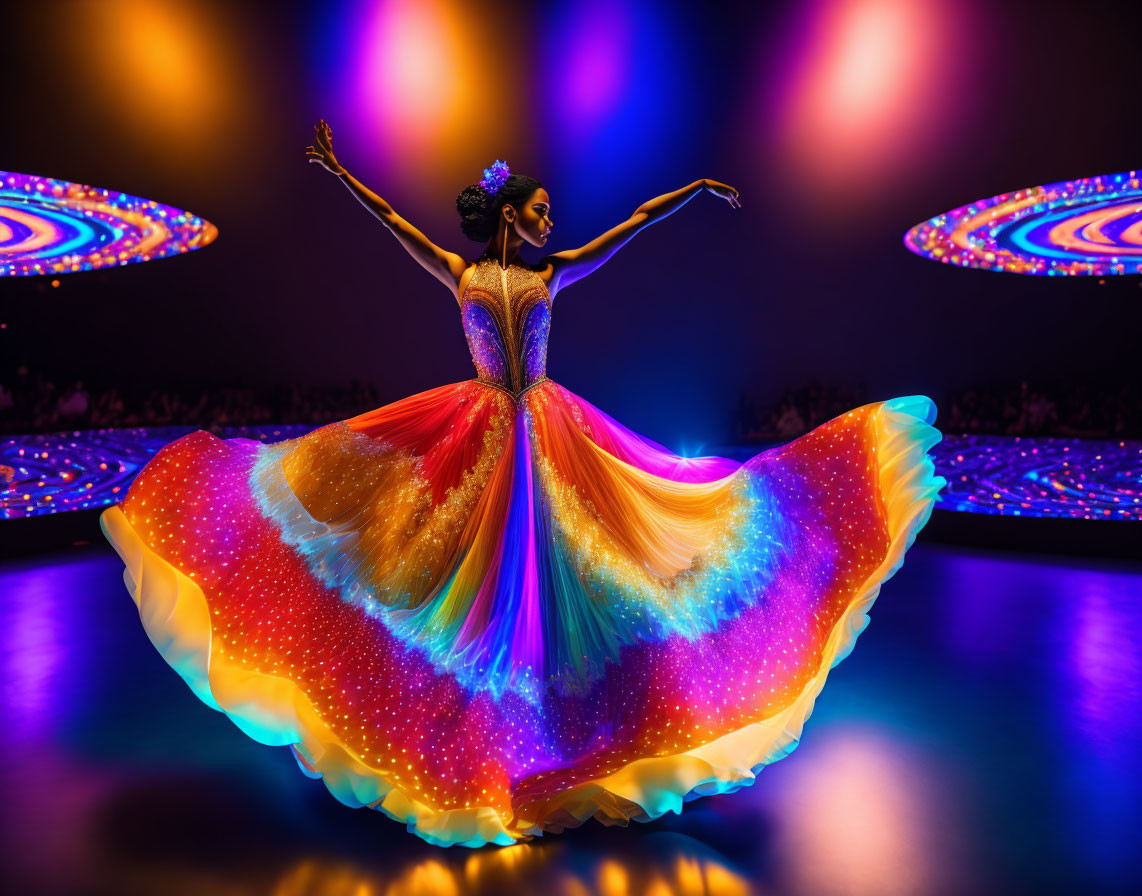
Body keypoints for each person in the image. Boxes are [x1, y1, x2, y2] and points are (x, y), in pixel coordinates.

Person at [99, 119, 945, 848]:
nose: (548, 222)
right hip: (476, 427)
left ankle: (560, 732)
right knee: (457, 580)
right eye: (538, 212)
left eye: (547, 215)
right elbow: (393, 220)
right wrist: (340, 172)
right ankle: (480, 739)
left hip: (546, 429)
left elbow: (633, 225)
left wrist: (688, 187)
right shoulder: (465, 274)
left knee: (569, 572)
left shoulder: (552, 273)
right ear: (509, 215)